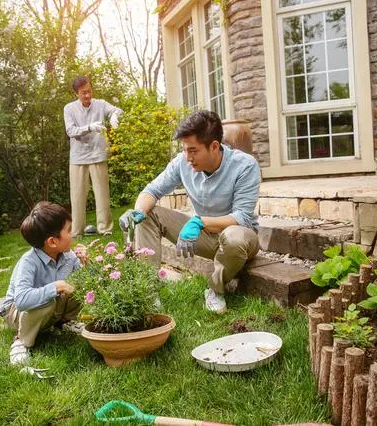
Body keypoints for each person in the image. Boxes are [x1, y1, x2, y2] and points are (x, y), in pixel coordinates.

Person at [119, 110, 261, 314]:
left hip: (239, 238)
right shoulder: (182, 162)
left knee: (234, 237)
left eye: (193, 150)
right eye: (185, 150)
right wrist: (138, 211)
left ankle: (214, 289)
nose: (187, 157)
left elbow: (242, 217)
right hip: (202, 236)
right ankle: (148, 293)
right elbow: (152, 190)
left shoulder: (245, 166)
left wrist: (200, 222)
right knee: (148, 214)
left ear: (214, 146)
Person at [0, 201, 81, 365]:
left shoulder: (69, 257)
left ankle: (64, 323)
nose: (73, 234)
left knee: (77, 288)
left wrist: (87, 262)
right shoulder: (29, 261)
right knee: (50, 297)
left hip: (46, 307)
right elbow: (21, 301)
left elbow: (87, 284)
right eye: (69, 231)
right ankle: (21, 341)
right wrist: (57, 286)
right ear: (52, 242)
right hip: (16, 311)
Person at [63, 76, 123, 237]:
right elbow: (71, 131)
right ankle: (77, 231)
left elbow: (117, 110)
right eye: (83, 93)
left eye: (89, 91)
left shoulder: (101, 104)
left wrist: (115, 116)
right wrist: (90, 127)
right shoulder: (69, 108)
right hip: (78, 157)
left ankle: (105, 229)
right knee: (77, 196)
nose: (87, 95)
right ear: (77, 93)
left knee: (102, 194)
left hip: (98, 154)